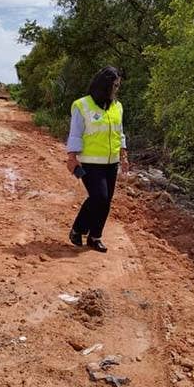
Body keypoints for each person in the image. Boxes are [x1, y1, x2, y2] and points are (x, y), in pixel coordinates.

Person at [66, 66, 129, 252]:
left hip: (111, 162)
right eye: (114, 85)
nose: (116, 89)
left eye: (118, 86)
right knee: (98, 197)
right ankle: (78, 229)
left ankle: (95, 237)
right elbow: (75, 134)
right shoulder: (82, 105)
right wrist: (72, 157)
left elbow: (119, 132)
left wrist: (124, 155)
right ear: (104, 85)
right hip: (90, 162)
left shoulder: (117, 106)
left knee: (106, 201)